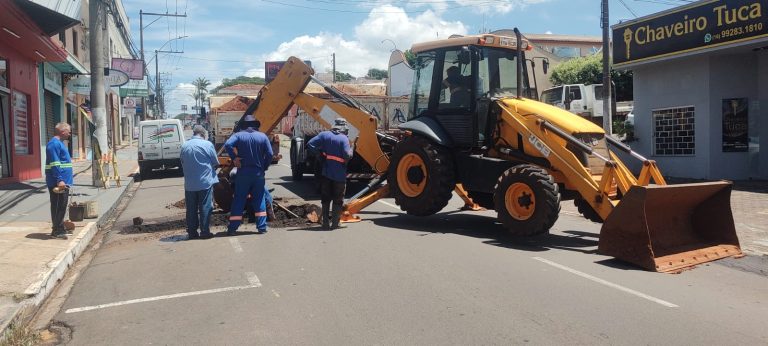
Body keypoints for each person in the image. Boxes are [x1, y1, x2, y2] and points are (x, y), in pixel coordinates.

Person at [224, 119, 273, 236]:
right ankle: (262, 227)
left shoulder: (238, 136)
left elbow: (228, 145)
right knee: (259, 199)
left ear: (243, 126)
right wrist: (265, 166)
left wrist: (234, 158)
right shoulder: (263, 136)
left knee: (239, 199)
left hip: (243, 174)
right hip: (258, 174)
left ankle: (233, 228)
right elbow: (270, 154)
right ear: (255, 125)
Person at [307, 118, 353, 230]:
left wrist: (319, 155)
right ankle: (335, 224)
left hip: (326, 173)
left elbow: (310, 144)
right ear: (344, 128)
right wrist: (352, 149)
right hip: (339, 175)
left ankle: (325, 223)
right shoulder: (344, 139)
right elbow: (347, 155)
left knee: (326, 198)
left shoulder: (324, 135)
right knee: (338, 199)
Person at [180, 125, 219, 240]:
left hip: (189, 184)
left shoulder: (184, 146)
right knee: (205, 207)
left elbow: (182, 161)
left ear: (194, 133)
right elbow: (215, 162)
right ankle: (205, 232)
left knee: (191, 209)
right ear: (203, 134)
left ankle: (192, 233)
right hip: (204, 183)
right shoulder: (207, 144)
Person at [46, 123, 74, 239]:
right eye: (69, 131)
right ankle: (56, 230)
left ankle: (60, 227)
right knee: (58, 205)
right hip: (58, 182)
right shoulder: (54, 144)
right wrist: (60, 180)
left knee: (62, 205)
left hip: (63, 181)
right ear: (63, 132)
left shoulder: (59, 143)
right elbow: (55, 163)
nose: (70, 134)